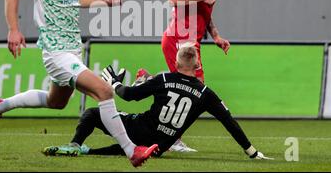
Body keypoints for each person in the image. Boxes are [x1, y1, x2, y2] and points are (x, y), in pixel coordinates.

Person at [0, 0, 158, 167]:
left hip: (70, 50)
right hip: (57, 54)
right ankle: (132, 151)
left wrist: (106, 2)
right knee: (104, 92)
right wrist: (14, 29)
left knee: (57, 102)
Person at [43, 44, 272, 161]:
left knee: (93, 114)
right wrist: (252, 152)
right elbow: (229, 122)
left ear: (176, 62)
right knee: (124, 149)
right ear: (197, 66)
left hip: (137, 129)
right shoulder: (205, 93)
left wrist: (113, 84)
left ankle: (75, 145)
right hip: (158, 147)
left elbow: (130, 94)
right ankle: (88, 152)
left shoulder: (164, 79)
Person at [138, 0, 231, 152]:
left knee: (192, 94)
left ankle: (148, 81)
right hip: (178, 39)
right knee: (193, 93)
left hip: (192, 42)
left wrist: (216, 36)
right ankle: (172, 140)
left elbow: (206, 13)